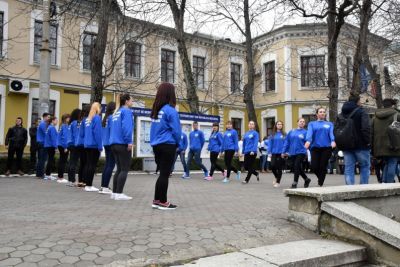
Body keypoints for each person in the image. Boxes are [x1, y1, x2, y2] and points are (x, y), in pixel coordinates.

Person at [150, 83, 181, 210]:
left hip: (157, 145)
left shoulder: (157, 110)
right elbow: (177, 131)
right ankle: (163, 202)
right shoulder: (170, 110)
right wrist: (178, 143)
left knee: (162, 174)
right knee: (165, 174)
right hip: (168, 145)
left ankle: (156, 200)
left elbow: (153, 130)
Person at [340, 94, 371, 185]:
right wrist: (368, 142)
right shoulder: (361, 112)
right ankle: (363, 188)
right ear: (357, 101)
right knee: (364, 166)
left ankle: (350, 189)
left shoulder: (341, 114)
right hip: (361, 145)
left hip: (346, 145)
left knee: (349, 167)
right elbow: (365, 128)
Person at [110, 94, 134, 200]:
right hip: (122, 143)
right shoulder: (126, 111)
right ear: (127, 101)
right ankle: (119, 194)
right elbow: (126, 128)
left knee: (119, 169)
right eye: (131, 100)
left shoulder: (116, 112)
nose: (132, 102)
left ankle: (114, 193)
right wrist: (129, 141)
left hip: (114, 144)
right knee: (124, 169)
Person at [305, 107, 336, 186]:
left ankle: (320, 183)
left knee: (323, 166)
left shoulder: (329, 124)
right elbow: (309, 133)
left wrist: (332, 141)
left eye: (323, 112)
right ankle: (320, 177)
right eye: (320, 112)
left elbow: (331, 133)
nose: (322, 113)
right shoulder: (312, 124)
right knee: (314, 167)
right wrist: (308, 140)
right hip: (315, 148)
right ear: (317, 114)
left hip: (326, 148)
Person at [371, 98, 400, 183]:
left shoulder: (375, 117)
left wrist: (372, 147)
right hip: (394, 144)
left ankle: (384, 182)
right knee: (393, 162)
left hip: (379, 145)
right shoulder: (397, 115)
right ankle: (389, 183)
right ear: (392, 105)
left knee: (387, 163)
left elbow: (371, 133)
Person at [282, 118, 311, 188]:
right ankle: (306, 179)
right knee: (296, 167)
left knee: (296, 165)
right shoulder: (292, 131)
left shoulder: (306, 132)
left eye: (303, 122)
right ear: (297, 123)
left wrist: (307, 147)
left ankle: (295, 183)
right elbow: (287, 142)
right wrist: (283, 151)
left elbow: (309, 141)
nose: (302, 123)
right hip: (292, 152)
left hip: (301, 152)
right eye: (300, 121)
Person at [83, 102, 103, 192]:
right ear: (97, 108)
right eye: (100, 107)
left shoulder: (87, 119)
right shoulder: (97, 118)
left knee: (88, 164)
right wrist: (100, 146)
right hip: (94, 145)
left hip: (87, 144)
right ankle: (89, 185)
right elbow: (98, 133)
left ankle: (87, 184)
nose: (101, 109)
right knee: (92, 165)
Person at [99, 101, 116, 194]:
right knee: (111, 165)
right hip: (111, 143)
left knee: (107, 165)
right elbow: (113, 131)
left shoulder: (105, 118)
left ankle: (103, 186)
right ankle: (105, 187)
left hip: (105, 143)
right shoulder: (112, 118)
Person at [269, 121, 286, 188]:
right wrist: (269, 152)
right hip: (274, 153)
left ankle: (278, 182)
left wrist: (284, 152)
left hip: (281, 153)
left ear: (282, 125)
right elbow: (270, 144)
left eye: (281, 124)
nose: (279, 125)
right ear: (276, 125)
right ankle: (277, 177)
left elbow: (286, 144)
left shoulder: (284, 134)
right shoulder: (272, 134)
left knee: (279, 168)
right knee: (272, 166)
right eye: (278, 124)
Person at [67, 109, 81, 187]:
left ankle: (70, 180)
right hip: (75, 144)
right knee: (74, 163)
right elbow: (76, 134)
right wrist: (77, 144)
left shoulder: (71, 123)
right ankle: (72, 180)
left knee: (71, 162)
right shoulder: (76, 123)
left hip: (70, 144)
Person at [76, 106, 89, 187]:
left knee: (82, 163)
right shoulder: (86, 120)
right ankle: (84, 181)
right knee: (85, 163)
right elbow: (84, 133)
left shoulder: (81, 120)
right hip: (84, 143)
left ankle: (80, 181)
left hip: (79, 143)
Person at [36, 113, 51, 179]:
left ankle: (39, 174)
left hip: (42, 143)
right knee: (42, 159)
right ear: (44, 117)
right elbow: (46, 133)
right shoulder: (43, 124)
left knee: (41, 159)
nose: (49, 118)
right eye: (48, 117)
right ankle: (40, 174)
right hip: (42, 143)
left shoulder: (44, 124)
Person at [56, 114, 70, 183]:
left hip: (60, 144)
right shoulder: (65, 126)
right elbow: (65, 137)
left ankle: (59, 176)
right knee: (63, 161)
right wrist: (65, 147)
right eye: (68, 118)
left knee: (61, 161)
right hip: (63, 145)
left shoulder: (61, 126)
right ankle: (61, 177)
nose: (69, 119)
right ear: (65, 119)